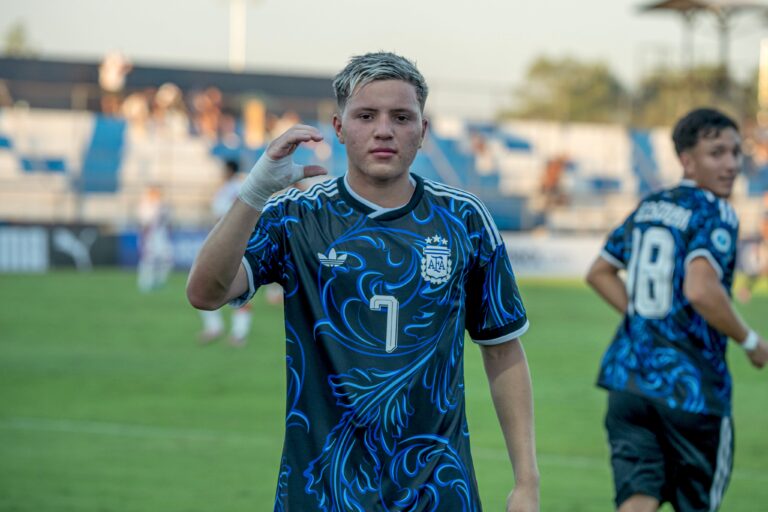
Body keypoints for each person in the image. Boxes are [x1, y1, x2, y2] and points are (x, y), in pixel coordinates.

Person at [187, 52, 539, 511]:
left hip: (438, 491)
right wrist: (253, 192)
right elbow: (205, 292)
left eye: (401, 117)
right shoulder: (296, 217)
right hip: (320, 490)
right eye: (366, 116)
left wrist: (526, 482)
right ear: (338, 127)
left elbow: (503, 349)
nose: (384, 129)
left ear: (423, 131)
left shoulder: (464, 220)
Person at [586, 108, 768, 512]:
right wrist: (751, 340)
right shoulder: (715, 211)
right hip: (691, 389)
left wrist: (646, 319)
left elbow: (599, 272)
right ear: (688, 160)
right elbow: (701, 288)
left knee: (636, 501)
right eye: (716, 153)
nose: (732, 164)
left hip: (628, 381)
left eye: (736, 153)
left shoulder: (651, 205)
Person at [198, 160, 254, 346]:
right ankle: (216, 328)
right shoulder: (227, 188)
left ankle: (238, 334)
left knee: (239, 288)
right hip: (222, 243)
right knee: (204, 285)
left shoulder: (237, 187)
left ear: (229, 170)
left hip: (234, 244)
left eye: (224, 169)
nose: (222, 172)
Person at [137, 185, 173, 292]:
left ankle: (159, 281)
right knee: (148, 260)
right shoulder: (145, 205)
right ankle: (145, 283)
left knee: (167, 260)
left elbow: (168, 222)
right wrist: (145, 238)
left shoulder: (163, 205)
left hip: (161, 235)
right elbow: (145, 224)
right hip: (150, 236)